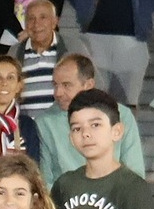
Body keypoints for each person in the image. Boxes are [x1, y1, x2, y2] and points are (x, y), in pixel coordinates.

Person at [30, 54, 145, 187]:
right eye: (55, 85)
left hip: (113, 200)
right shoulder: (44, 123)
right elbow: (45, 181)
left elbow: (134, 174)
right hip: (67, 203)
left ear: (88, 85)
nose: (58, 93)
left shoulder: (122, 115)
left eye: (66, 85)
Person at [10, 0, 83, 122]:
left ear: (55, 22)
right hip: (27, 129)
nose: (36, 24)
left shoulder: (73, 47)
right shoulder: (14, 52)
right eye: (31, 19)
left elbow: (92, 84)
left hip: (64, 125)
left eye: (43, 17)